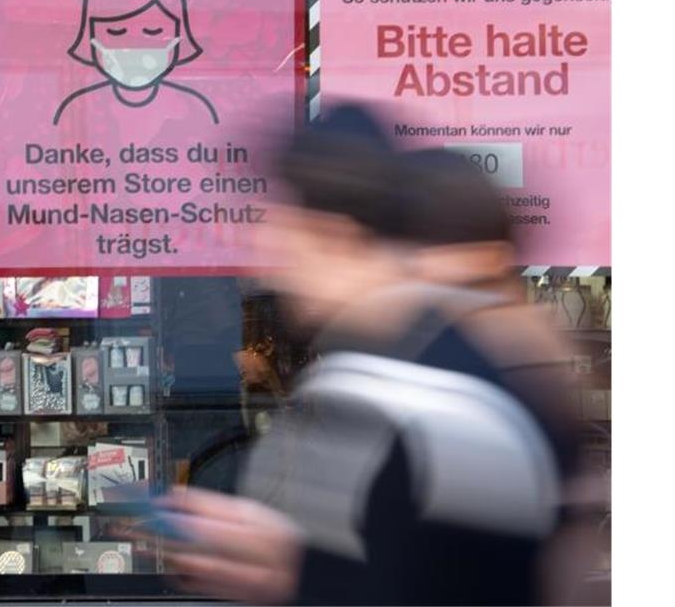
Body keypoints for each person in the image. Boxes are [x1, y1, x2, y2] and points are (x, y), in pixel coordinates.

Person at [158, 106, 595, 605]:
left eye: (274, 225)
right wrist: (283, 562)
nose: (267, 262)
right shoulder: (402, 366)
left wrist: (292, 574)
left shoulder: (414, 394)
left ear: (330, 233)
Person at [54, 0, 219, 126]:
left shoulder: (203, 110)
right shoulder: (74, 107)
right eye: (116, 32)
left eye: (153, 31)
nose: (133, 52)